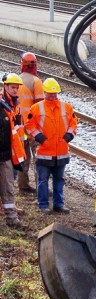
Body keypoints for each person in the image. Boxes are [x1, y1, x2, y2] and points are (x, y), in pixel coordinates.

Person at [25, 77, 78, 215]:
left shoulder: (66, 107)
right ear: (44, 92)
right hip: (44, 151)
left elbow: (74, 123)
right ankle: (43, 205)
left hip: (61, 151)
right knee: (43, 180)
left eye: (55, 93)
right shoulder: (36, 108)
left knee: (59, 179)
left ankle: (58, 205)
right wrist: (39, 137)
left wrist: (69, 136)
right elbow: (29, 125)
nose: (53, 96)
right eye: (50, 93)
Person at [0, 74, 26, 227]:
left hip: (7, 155)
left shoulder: (15, 106)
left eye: (17, 87)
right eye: (13, 87)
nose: (15, 90)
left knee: (8, 187)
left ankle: (12, 218)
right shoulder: (3, 106)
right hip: (5, 153)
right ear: (6, 87)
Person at [17, 51, 44, 194]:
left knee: (23, 156)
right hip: (32, 126)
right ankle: (41, 186)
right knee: (38, 157)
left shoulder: (15, 81)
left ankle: (23, 186)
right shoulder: (36, 82)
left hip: (18, 127)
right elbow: (40, 106)